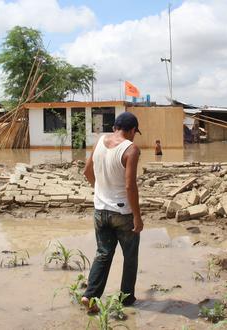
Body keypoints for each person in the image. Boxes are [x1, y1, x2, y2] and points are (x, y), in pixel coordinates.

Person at [81, 111, 143, 311]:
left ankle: (90, 296)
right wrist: (137, 216)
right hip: (122, 214)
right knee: (130, 256)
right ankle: (126, 300)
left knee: (103, 254)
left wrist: (100, 191)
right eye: (135, 132)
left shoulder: (99, 141)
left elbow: (87, 172)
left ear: (115, 127)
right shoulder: (131, 149)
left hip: (100, 210)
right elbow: (130, 186)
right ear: (132, 130)